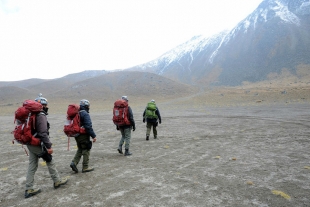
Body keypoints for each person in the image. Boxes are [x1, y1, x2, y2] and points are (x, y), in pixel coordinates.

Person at [24, 94, 68, 199]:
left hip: (30, 143)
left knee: (32, 164)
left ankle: (29, 188)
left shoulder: (30, 115)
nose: (47, 107)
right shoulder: (40, 115)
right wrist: (49, 146)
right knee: (49, 160)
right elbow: (43, 133)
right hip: (37, 143)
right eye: (46, 105)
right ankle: (57, 181)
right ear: (43, 105)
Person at [70, 99, 97, 173]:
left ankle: (74, 163)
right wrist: (93, 136)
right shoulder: (85, 113)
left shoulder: (76, 113)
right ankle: (85, 167)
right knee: (86, 149)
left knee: (80, 149)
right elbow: (88, 126)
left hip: (76, 134)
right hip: (83, 135)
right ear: (86, 106)